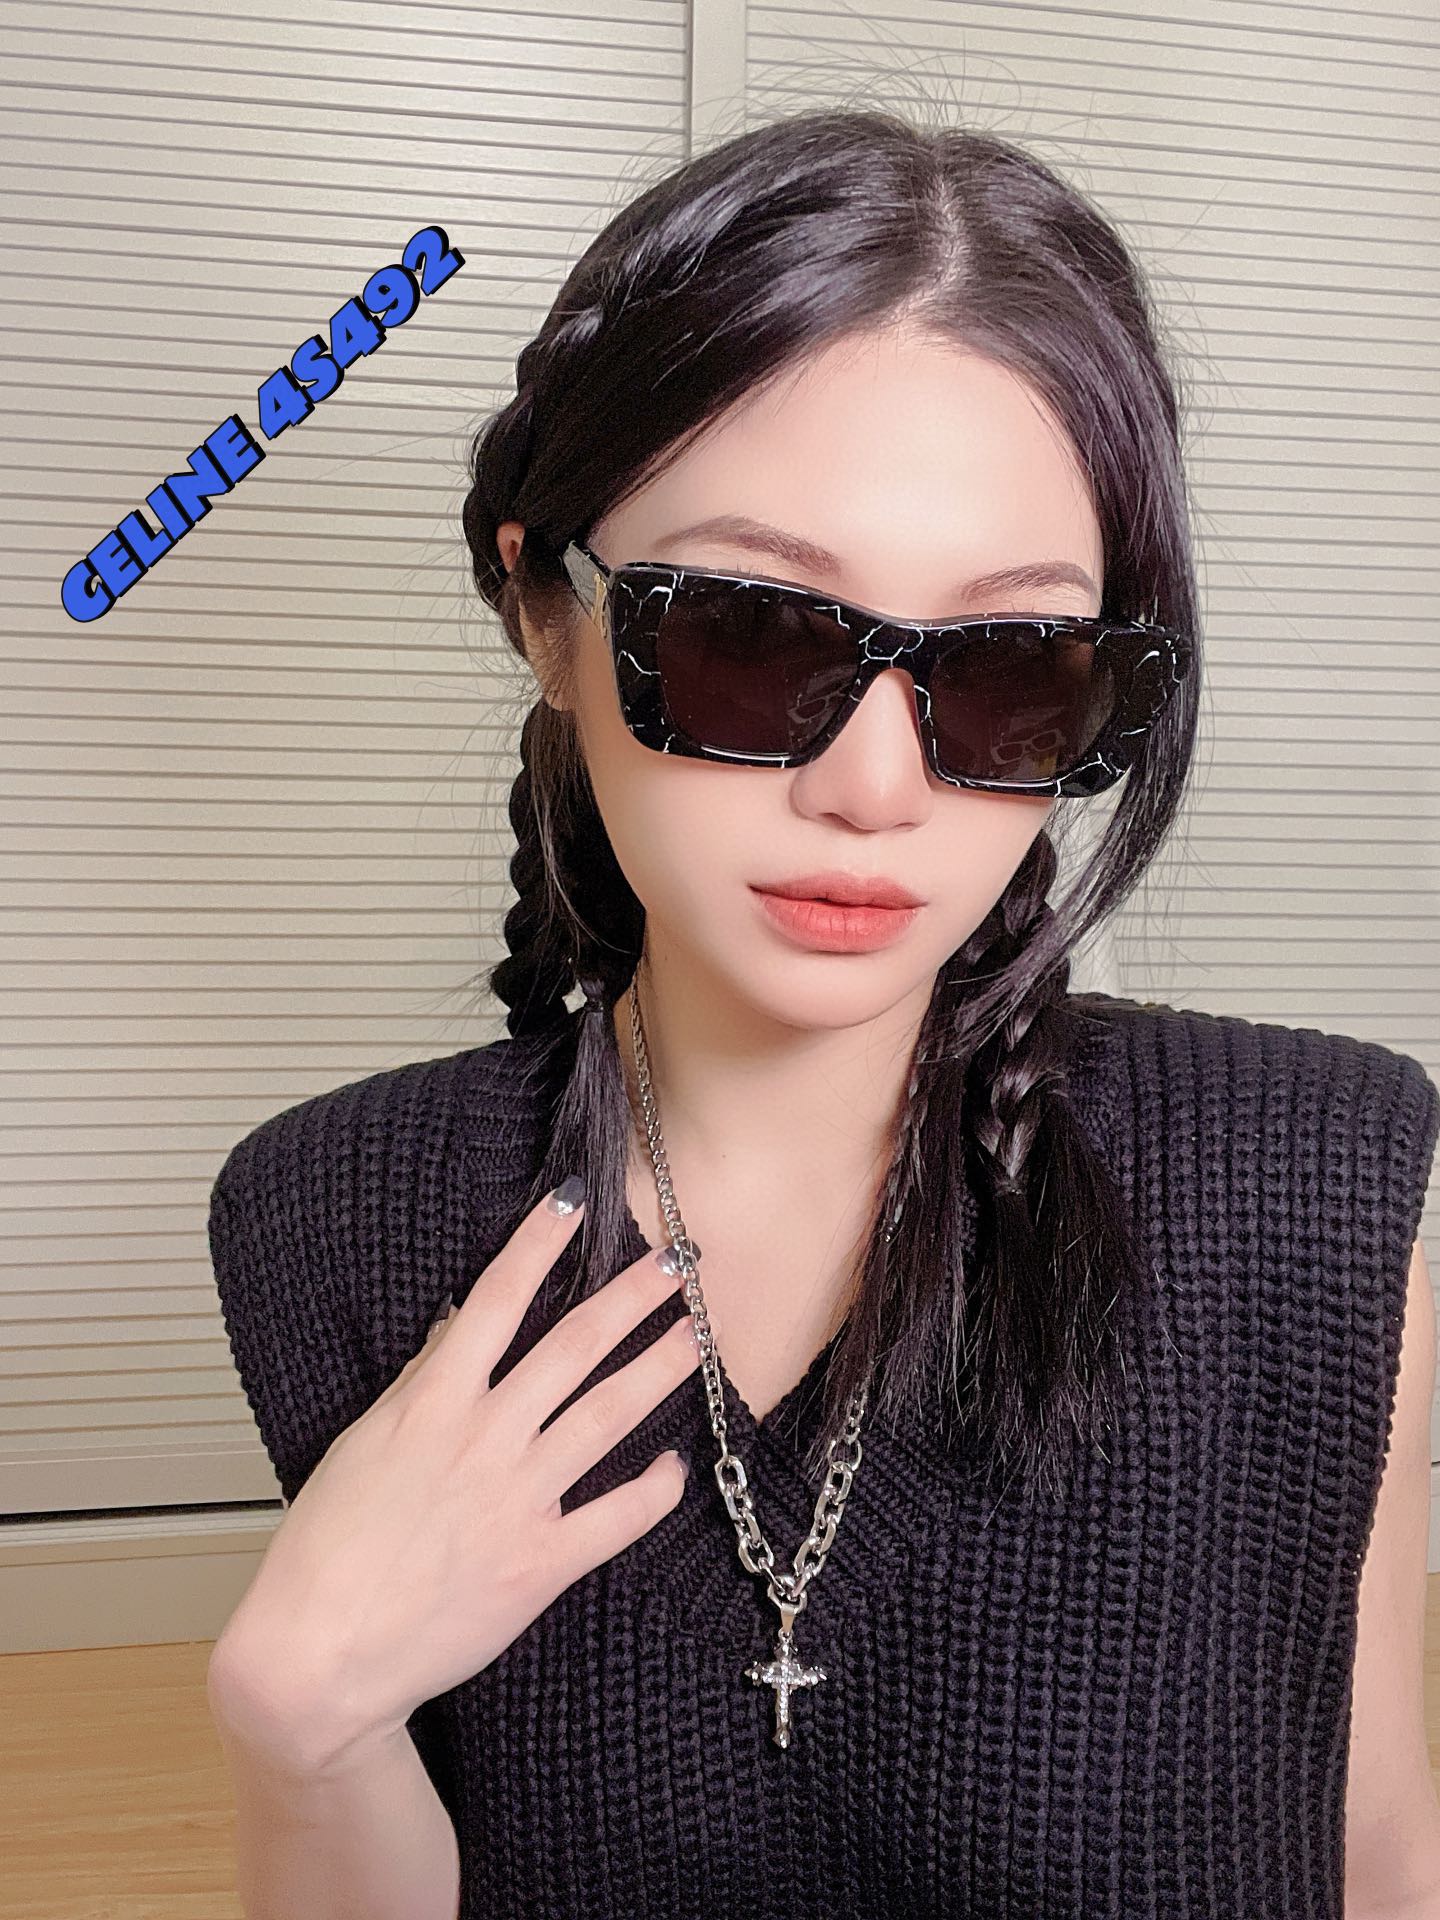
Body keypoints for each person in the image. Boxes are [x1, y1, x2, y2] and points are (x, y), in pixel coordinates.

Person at [203, 106, 1440, 1919]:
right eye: (751, 635)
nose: (875, 789)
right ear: (545, 610)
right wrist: (299, 1727)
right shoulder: (333, 1214)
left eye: (1013, 668)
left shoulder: (1317, 1183)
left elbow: (1385, 1842)